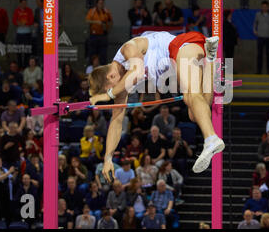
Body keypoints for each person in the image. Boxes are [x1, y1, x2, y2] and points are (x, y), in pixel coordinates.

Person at [88, 30, 222, 178]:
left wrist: (109, 95)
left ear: (111, 76)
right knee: (194, 113)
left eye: (112, 87)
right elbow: (116, 121)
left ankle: (210, 138)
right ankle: (210, 59)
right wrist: (108, 158)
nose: (116, 91)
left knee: (191, 96)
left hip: (182, 46)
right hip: (185, 55)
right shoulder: (122, 81)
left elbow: (137, 71)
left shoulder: (128, 48)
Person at [86, 0, 113, 65]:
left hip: (103, 35)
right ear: (97, 4)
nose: (101, 4)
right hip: (94, 35)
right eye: (100, 3)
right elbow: (87, 21)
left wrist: (107, 28)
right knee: (93, 53)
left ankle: (103, 69)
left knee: (103, 54)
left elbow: (111, 21)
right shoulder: (92, 11)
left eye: (102, 3)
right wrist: (96, 22)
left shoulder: (106, 11)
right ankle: (91, 68)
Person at [253, 0, 269, 74]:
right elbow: (255, 23)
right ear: (261, 7)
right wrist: (255, 30)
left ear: (268, 7)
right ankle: (258, 71)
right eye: (263, 7)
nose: (264, 8)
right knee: (259, 55)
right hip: (260, 37)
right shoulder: (258, 14)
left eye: (266, 7)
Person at [12, 0, 34, 67]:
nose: (24, 4)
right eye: (23, 3)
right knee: (19, 50)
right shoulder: (16, 10)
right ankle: (20, 65)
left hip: (27, 33)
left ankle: (26, 65)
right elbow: (14, 20)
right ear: (20, 3)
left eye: (25, 3)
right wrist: (18, 23)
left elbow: (31, 20)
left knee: (27, 50)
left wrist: (25, 23)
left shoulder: (29, 10)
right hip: (19, 33)